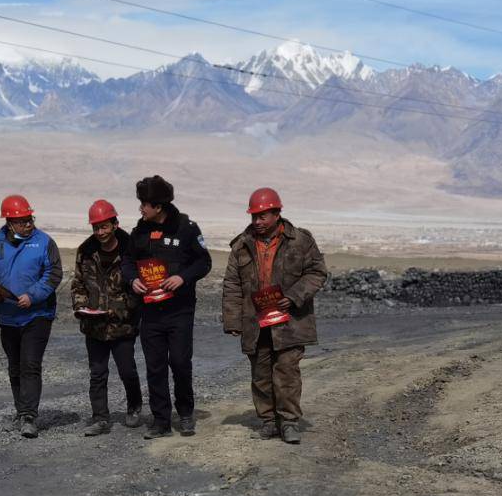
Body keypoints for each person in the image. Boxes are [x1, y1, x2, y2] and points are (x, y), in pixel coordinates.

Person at [221, 187, 327, 445]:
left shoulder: (300, 240)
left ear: (277, 213)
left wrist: (293, 296)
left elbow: (317, 273)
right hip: (255, 322)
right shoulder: (241, 246)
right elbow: (232, 284)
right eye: (254, 216)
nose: (257, 222)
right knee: (260, 372)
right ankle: (268, 421)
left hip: (290, 321)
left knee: (287, 372)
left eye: (263, 216)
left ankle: (289, 421)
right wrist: (233, 321)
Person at [121, 175, 211, 439]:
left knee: (181, 363)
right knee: (155, 365)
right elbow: (127, 261)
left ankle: (185, 414)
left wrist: (182, 277)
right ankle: (161, 420)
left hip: (180, 311)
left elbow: (203, 262)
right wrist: (132, 279)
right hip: (150, 312)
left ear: (158, 206)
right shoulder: (140, 232)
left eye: (144, 204)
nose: (141, 209)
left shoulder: (187, 228)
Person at [0, 194, 63, 438]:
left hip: (38, 314)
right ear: (9, 222)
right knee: (14, 366)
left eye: (29, 219)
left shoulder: (45, 242)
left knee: (30, 365)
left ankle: (29, 416)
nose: (28, 224)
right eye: (22, 221)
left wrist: (33, 295)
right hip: (7, 317)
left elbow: (54, 274)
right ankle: (20, 411)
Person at [71, 199, 144, 436]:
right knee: (97, 372)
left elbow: (139, 285)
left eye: (104, 226)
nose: (100, 232)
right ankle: (100, 417)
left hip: (123, 324)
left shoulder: (131, 249)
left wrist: (123, 308)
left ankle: (134, 406)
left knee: (127, 370)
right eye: (96, 227)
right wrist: (81, 307)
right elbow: (78, 284)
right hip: (94, 325)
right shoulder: (85, 251)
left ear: (115, 224)